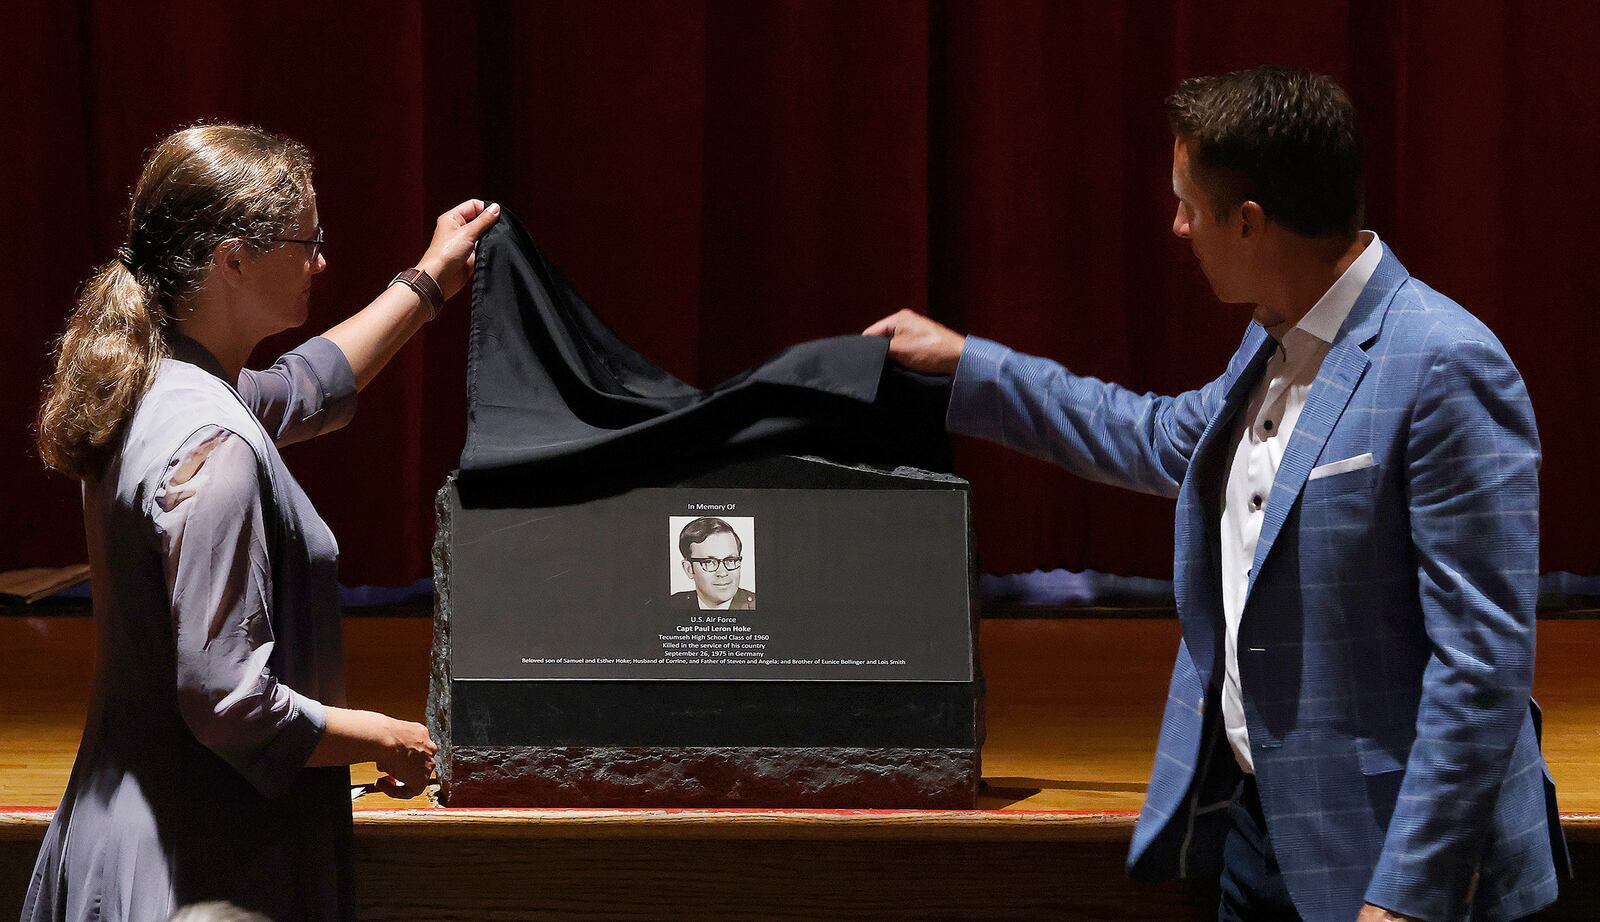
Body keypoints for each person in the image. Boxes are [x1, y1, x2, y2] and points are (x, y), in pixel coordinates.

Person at [866, 66, 1565, 922]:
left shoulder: (1445, 363)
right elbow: (1158, 438)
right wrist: (969, 363)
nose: (1177, 225)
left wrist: (1406, 900)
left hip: (1390, 868)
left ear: (1249, 223)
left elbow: (1482, 667)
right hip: (1262, 838)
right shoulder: (1275, 339)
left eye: (1187, 204)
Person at [25, 123, 500, 921]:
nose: (320, 260)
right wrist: (390, 737)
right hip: (196, 873)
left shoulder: (155, 384)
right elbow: (229, 699)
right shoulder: (214, 442)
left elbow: (303, 386)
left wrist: (426, 282)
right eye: (304, 240)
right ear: (233, 259)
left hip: (133, 838)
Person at [670, 516, 756, 610]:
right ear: (689, 569)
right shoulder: (672, 605)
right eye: (709, 562)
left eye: (731, 560)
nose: (723, 573)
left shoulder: (759, 606)